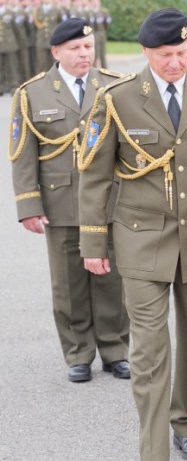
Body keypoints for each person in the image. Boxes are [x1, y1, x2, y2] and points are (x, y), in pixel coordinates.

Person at [78, 8, 187, 461]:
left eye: (181, 52)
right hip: (140, 240)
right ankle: (153, 450)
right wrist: (93, 242)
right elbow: (95, 177)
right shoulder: (116, 98)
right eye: (164, 55)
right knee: (150, 352)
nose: (175, 62)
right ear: (145, 52)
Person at [9, 17, 129, 383]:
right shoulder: (33, 93)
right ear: (56, 51)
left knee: (111, 278)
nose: (83, 54)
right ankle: (78, 352)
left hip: (108, 200)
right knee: (68, 282)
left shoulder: (113, 86)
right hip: (60, 203)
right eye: (75, 48)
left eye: (88, 47)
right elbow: (22, 152)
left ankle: (115, 350)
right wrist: (29, 205)